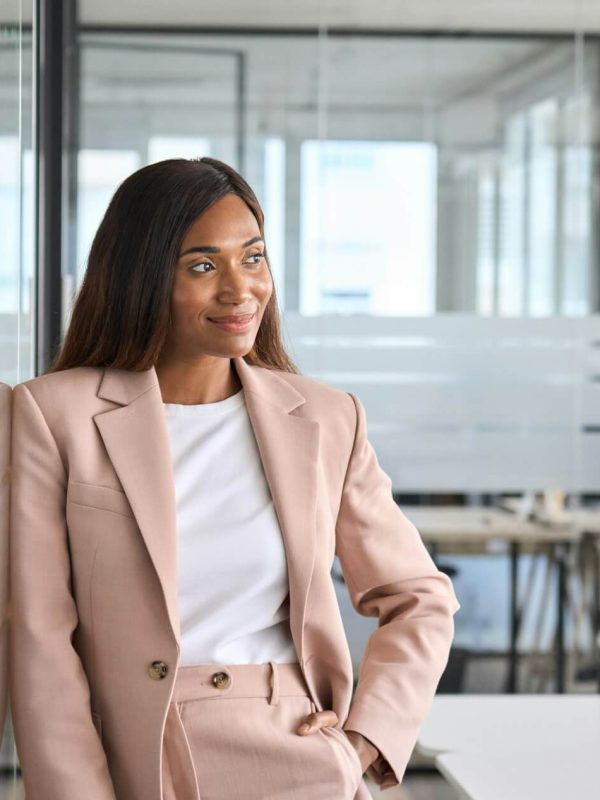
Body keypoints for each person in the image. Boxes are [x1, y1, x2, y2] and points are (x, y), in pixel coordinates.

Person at [9, 156, 461, 800]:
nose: (239, 288)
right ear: (142, 277)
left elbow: (420, 597)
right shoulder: (54, 415)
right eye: (202, 265)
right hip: (140, 758)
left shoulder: (327, 419)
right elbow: (39, 639)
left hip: (301, 751)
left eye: (253, 258)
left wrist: (364, 743)